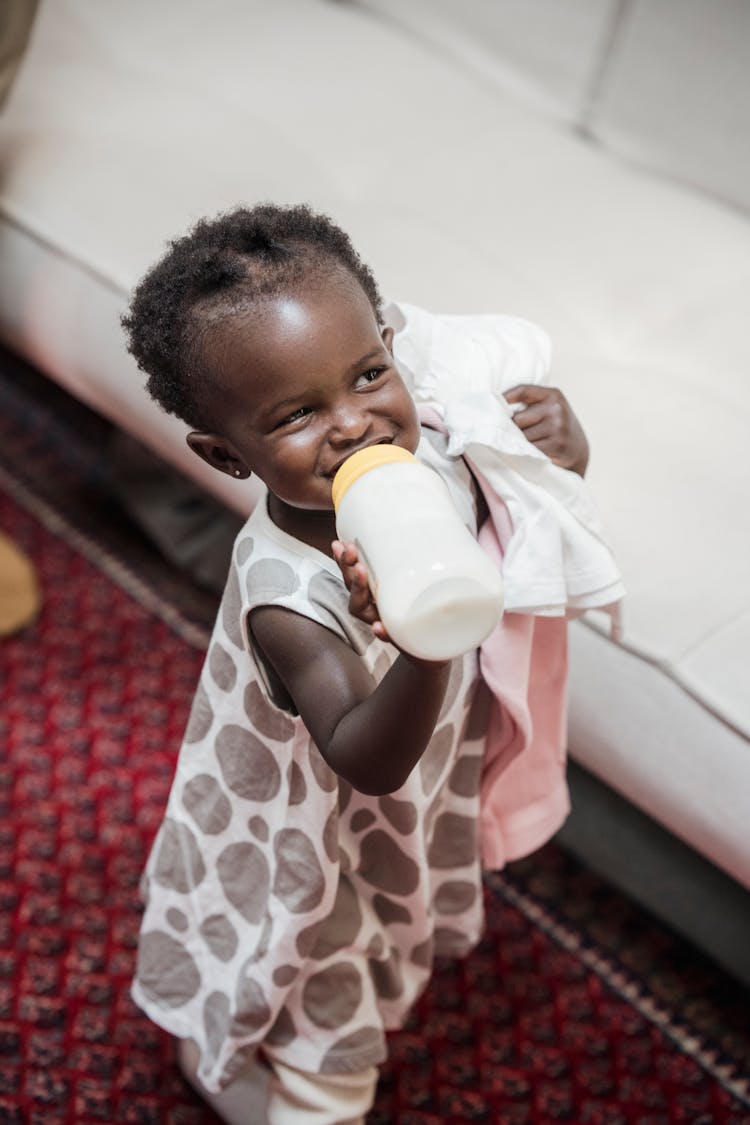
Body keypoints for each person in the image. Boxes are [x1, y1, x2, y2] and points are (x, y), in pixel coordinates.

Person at [122, 202, 619, 1125]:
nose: (356, 425)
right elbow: (365, 754)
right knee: (320, 998)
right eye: (301, 413)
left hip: (404, 814)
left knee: (390, 940)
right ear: (227, 455)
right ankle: (276, 1078)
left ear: (391, 343)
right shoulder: (287, 594)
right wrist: (422, 644)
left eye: (367, 374)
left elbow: (515, 507)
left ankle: (232, 1052)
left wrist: (562, 449)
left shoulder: (422, 438)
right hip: (312, 840)